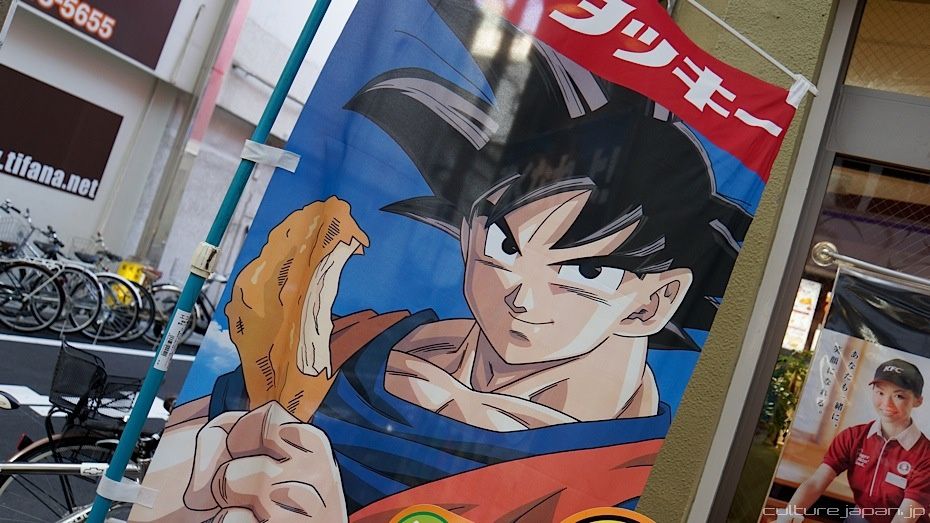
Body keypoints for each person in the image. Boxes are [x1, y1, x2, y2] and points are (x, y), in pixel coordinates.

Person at [129, 1, 751, 521]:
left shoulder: (613, 484)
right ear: (469, 231)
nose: (522, 294)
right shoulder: (357, 343)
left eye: (584, 272)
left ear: (654, 300)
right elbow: (170, 480)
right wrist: (203, 483)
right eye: (505, 245)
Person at [780, 359, 930, 523]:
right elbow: (816, 483)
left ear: (918, 401)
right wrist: (787, 517)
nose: (887, 403)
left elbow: (905, 517)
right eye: (880, 393)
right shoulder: (853, 437)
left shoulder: (926, 455)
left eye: (899, 396)